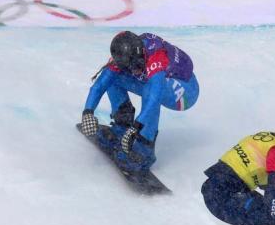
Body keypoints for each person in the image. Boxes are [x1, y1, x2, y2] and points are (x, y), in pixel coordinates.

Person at [80, 31, 200, 173]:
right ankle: (122, 125)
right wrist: (88, 112)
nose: (135, 70)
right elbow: (100, 84)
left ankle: (144, 150)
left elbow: (154, 96)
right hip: (163, 82)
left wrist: (137, 126)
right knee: (113, 77)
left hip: (186, 91)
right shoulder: (124, 56)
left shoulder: (156, 55)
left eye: (138, 65)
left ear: (141, 54)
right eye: (131, 66)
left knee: (151, 89)